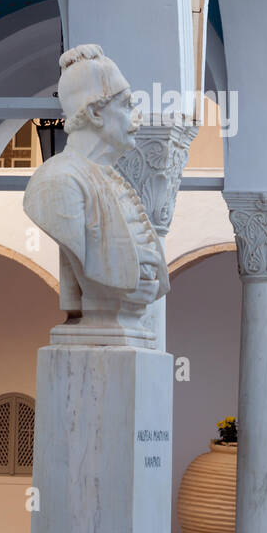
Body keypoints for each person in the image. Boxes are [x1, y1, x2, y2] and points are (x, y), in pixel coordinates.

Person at [23, 44, 168, 343]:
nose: (136, 116)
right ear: (94, 113)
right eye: (127, 104)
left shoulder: (114, 180)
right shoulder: (58, 182)